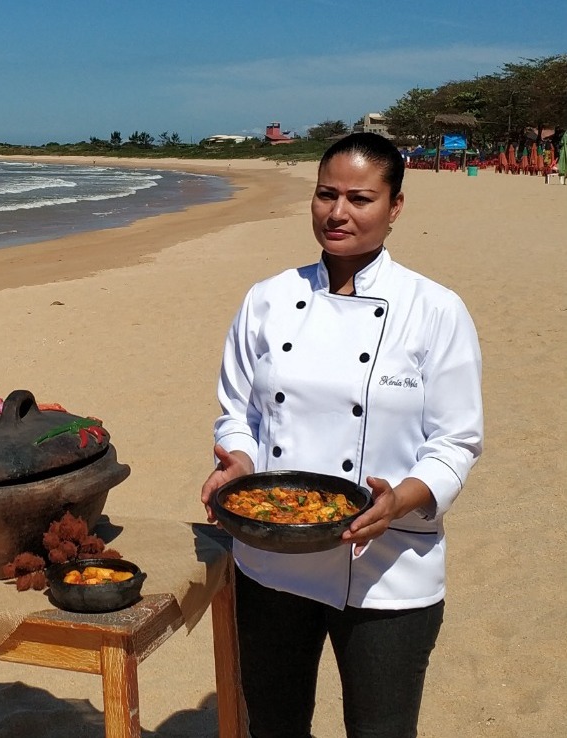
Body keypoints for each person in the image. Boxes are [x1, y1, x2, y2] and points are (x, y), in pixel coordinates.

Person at [201, 132, 483, 738]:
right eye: (326, 194)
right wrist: (239, 466)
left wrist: (400, 497)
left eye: (360, 198)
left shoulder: (434, 310)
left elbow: (456, 442)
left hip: (390, 564)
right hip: (273, 557)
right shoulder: (268, 299)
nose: (338, 212)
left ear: (396, 206)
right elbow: (237, 414)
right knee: (274, 725)